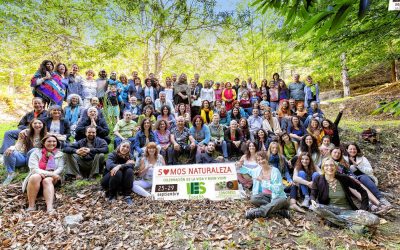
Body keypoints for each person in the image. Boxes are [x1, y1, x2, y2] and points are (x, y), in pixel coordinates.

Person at [310, 158, 380, 233]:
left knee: (375, 220)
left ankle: (340, 223)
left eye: (331, 165)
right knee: (315, 207)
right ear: (323, 167)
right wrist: (313, 200)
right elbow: (313, 193)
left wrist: (362, 208)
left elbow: (363, 191)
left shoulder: (343, 178)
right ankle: (349, 224)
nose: (329, 168)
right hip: (330, 210)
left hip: (347, 212)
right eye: (326, 165)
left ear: (335, 167)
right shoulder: (318, 179)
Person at [241, 151, 289, 220]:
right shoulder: (258, 170)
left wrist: (263, 182)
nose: (261, 161)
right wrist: (240, 167)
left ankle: (257, 212)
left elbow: (278, 189)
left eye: (262, 159)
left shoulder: (275, 171)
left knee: (282, 200)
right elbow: (248, 171)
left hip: (278, 197)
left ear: (267, 159)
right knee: (254, 198)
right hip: (266, 197)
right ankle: (278, 211)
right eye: (258, 160)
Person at [23, 135, 64, 213]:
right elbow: (34, 168)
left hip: (53, 177)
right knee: (35, 177)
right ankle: (31, 206)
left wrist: (51, 175)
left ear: (57, 143)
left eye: (54, 141)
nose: (51, 143)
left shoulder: (60, 154)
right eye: (49, 141)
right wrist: (49, 173)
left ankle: (49, 208)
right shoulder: (36, 153)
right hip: (39, 174)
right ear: (44, 142)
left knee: (47, 180)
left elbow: (60, 168)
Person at [344, 143, 391, 207]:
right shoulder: (343, 159)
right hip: (353, 180)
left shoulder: (362, 158)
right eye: (350, 149)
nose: (352, 150)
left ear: (357, 150)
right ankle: (371, 204)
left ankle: (381, 198)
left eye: (354, 149)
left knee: (362, 177)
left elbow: (370, 171)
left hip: (367, 178)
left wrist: (357, 165)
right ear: (347, 150)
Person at [2, 119, 47, 186]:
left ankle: (30, 170)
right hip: (22, 157)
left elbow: (61, 137)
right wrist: (12, 148)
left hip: (34, 159)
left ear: (43, 125)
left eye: (39, 123)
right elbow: (18, 144)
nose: (37, 125)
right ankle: (11, 173)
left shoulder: (46, 135)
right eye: (35, 123)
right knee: (8, 151)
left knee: (34, 150)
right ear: (31, 125)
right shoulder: (25, 133)